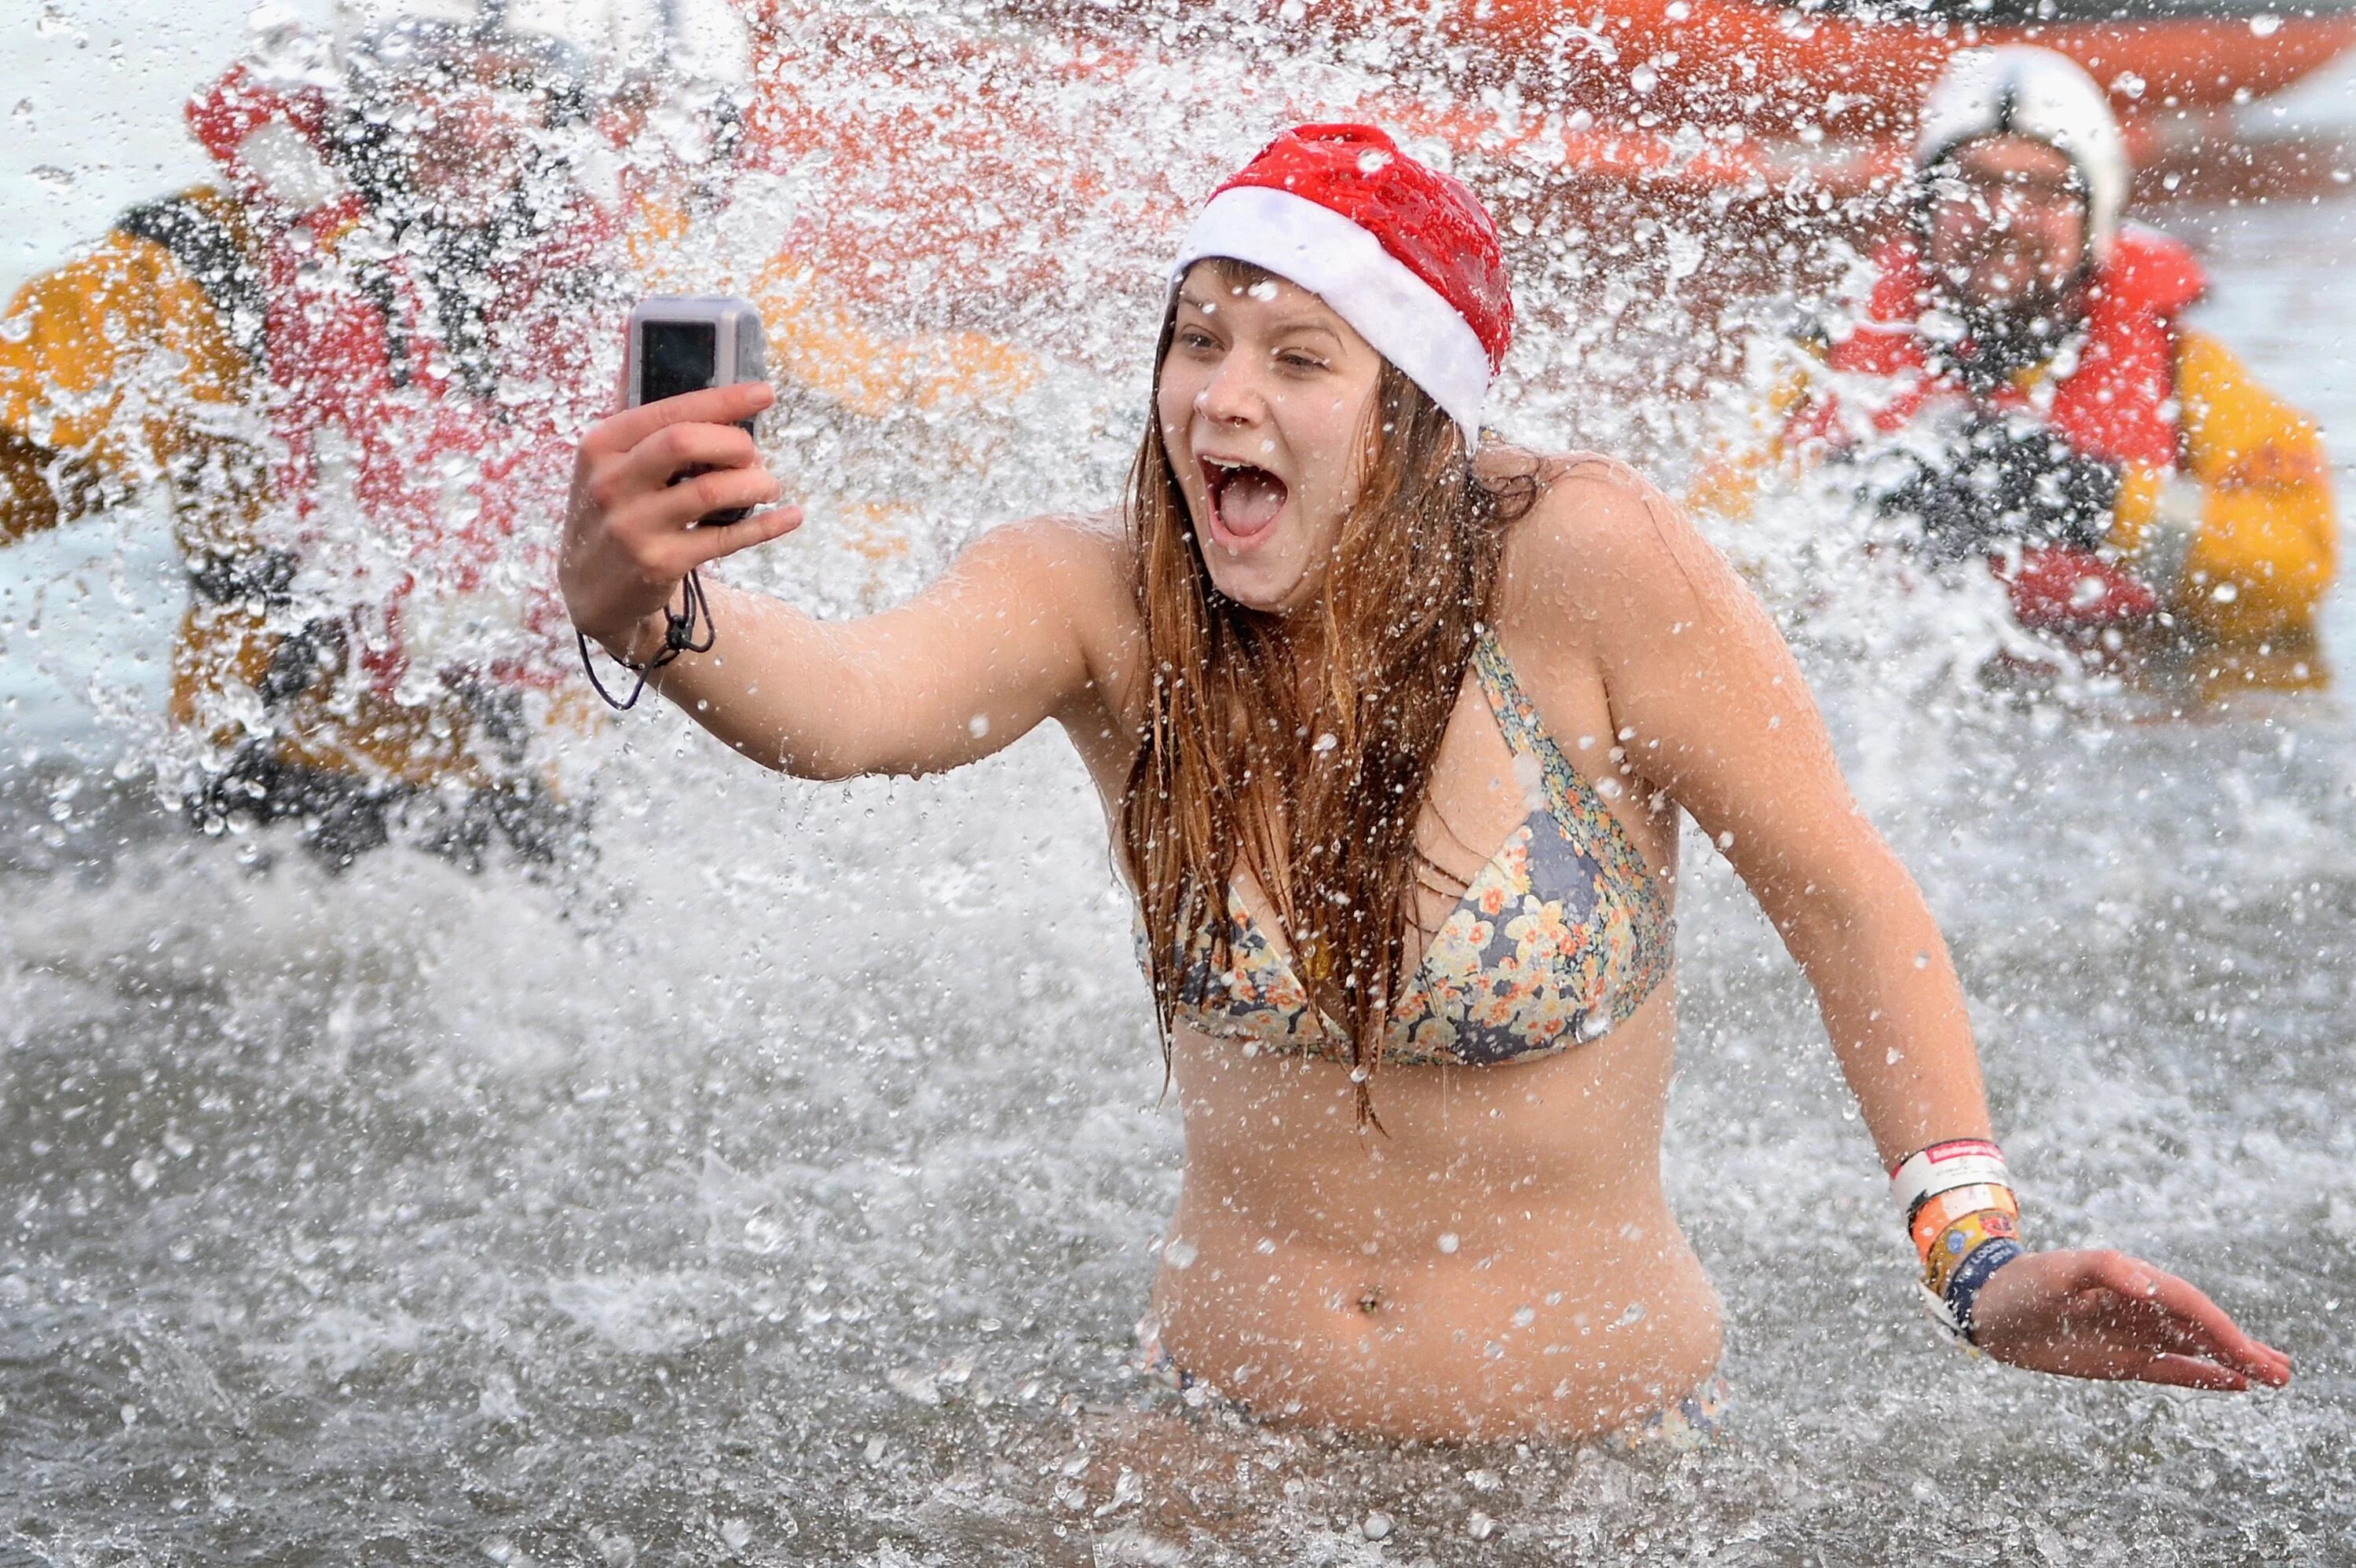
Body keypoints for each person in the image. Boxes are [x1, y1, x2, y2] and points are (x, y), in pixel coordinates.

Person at [560, 124, 2289, 1441]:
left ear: (1410, 411)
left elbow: (1842, 894)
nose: (1222, 396)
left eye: (1298, 358)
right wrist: (648, 607)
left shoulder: (1592, 568)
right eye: (1200, 340)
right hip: (1217, 1439)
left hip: (1583, 1460)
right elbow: (847, 707)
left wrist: (1975, 1255)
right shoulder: (1102, 597)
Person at [0, 16, 613, 863]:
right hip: (278, 788)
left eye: (514, 84)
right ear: (357, 81)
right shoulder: (206, 265)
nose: (472, 121)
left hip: (542, 787)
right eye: (432, 76)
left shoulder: (608, 272)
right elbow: (23, 442)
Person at [1692, 47, 2336, 688]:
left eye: (2042, 189)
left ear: (2094, 215)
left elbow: (2298, 567)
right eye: (1973, 184)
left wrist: (2096, 499)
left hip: (2129, 696)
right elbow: (1706, 560)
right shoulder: (1823, 362)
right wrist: (1839, 504)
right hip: (1900, 694)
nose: (2002, 215)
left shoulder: (2185, 368)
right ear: (1924, 206)